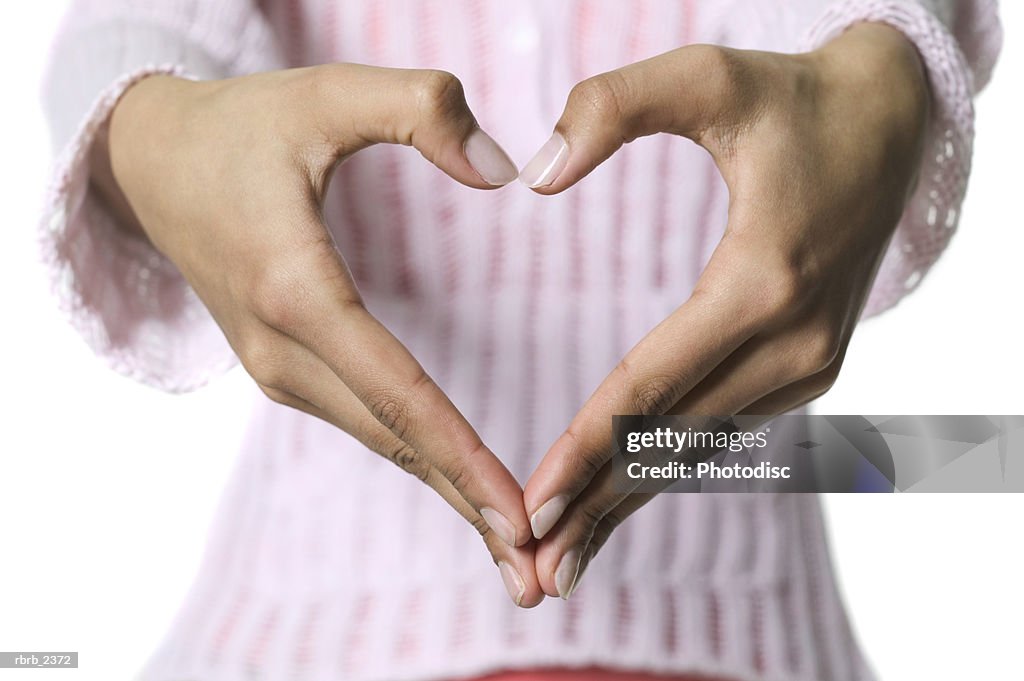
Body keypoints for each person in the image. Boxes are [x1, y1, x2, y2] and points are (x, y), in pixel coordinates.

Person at [41, 1, 1001, 680]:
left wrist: (882, 56)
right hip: (295, 625)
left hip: (753, 618)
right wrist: (156, 129)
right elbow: (124, 30)